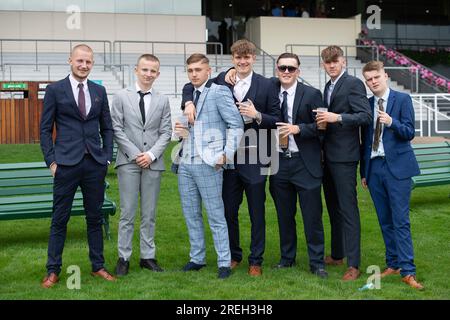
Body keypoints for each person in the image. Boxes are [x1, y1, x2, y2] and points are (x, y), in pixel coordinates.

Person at [181, 39, 281, 277]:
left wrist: (257, 115)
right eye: (238, 58)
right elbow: (191, 85)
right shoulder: (220, 81)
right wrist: (187, 102)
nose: (242, 61)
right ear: (232, 59)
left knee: (257, 211)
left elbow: (276, 118)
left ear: (253, 59)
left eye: (246, 58)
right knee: (228, 210)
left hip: (256, 154)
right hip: (226, 158)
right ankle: (234, 255)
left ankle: (255, 259)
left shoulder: (267, 85)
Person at [40, 44, 115, 288]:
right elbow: (44, 129)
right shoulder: (54, 90)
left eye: (88, 62)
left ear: (92, 64)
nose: (84, 66)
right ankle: (53, 270)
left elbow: (107, 127)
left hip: (94, 164)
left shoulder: (99, 91)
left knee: (94, 218)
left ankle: (98, 266)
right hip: (66, 164)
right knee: (59, 219)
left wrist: (106, 157)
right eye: (80, 61)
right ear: (70, 60)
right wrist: (52, 161)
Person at [175, 53, 243, 279]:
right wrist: (180, 129)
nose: (194, 74)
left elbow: (236, 124)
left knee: (215, 215)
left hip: (209, 164)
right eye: (190, 70)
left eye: (198, 70)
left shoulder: (219, 91)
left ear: (208, 71)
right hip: (185, 163)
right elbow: (189, 128)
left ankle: (224, 262)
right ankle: (197, 258)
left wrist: (227, 154)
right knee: (190, 214)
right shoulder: (189, 96)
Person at [361, 61, 424, 290]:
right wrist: (364, 172)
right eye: (368, 79)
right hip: (375, 168)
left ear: (385, 76)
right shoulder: (367, 104)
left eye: (376, 77)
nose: (373, 82)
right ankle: (393, 263)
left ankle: (408, 270)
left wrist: (391, 122)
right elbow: (365, 141)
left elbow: (409, 132)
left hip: (397, 168)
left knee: (400, 221)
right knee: (385, 220)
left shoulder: (402, 99)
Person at [110, 54, 172, 276]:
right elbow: (116, 128)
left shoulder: (163, 100)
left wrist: (152, 155)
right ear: (136, 70)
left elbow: (166, 132)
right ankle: (123, 257)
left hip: (153, 163)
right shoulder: (120, 96)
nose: (148, 74)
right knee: (127, 212)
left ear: (157, 73)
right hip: (128, 162)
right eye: (144, 70)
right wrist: (137, 154)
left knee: (149, 213)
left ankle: (148, 256)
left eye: (152, 71)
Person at [268, 53, 328, 278]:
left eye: (291, 69)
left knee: (312, 215)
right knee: (284, 215)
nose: (286, 72)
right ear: (277, 70)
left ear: (298, 71)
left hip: (305, 162)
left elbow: (322, 127)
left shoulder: (312, 93)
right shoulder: (270, 90)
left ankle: (317, 262)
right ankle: (287, 258)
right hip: (279, 162)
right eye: (282, 68)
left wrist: (298, 129)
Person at [315, 45, 372, 280]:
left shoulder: (353, 83)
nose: (331, 65)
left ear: (343, 62)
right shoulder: (328, 86)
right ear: (323, 64)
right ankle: (337, 254)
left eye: (335, 61)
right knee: (333, 208)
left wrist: (336, 117)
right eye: (327, 62)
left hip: (345, 158)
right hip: (327, 157)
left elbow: (366, 116)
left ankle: (354, 264)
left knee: (348, 210)